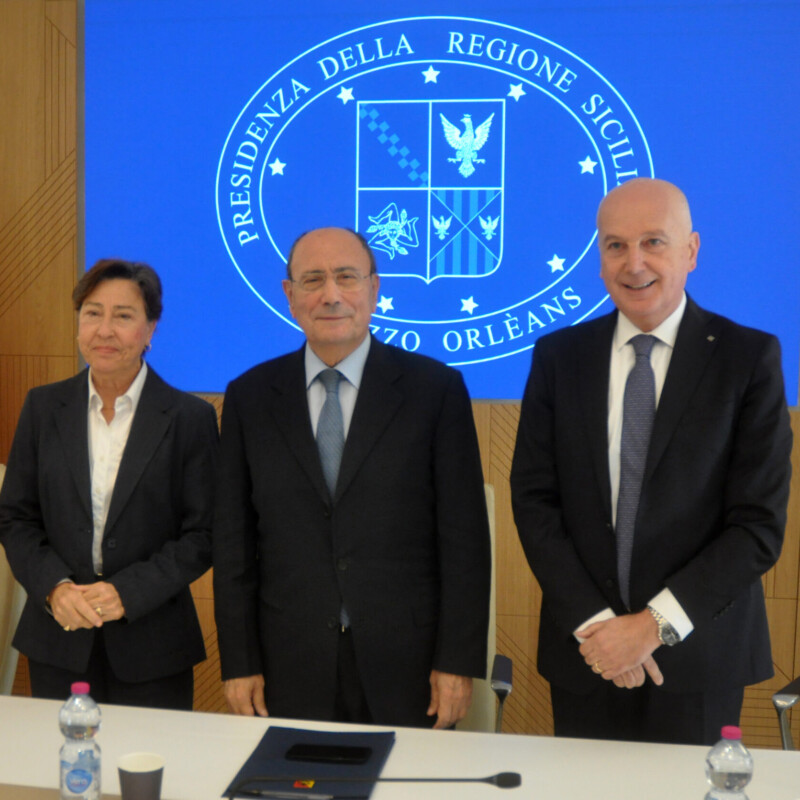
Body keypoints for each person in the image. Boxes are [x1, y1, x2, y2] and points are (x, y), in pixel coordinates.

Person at [510, 178, 792, 745]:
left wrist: (651, 627)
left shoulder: (748, 358)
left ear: (691, 251)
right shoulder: (560, 357)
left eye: (653, 243)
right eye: (615, 245)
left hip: (700, 660)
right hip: (587, 658)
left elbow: (757, 525)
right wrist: (601, 631)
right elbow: (535, 501)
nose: (633, 263)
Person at [213, 226, 491, 728]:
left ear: (375, 288)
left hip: (408, 665)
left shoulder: (436, 391)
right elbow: (234, 547)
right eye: (313, 279)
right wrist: (239, 661)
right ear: (290, 295)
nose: (331, 294)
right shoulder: (249, 397)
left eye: (347, 277)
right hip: (287, 664)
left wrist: (456, 661)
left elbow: (464, 542)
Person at [0, 259, 219, 710]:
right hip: (58, 638)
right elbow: (16, 518)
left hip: (153, 646)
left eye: (123, 316)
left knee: (148, 777)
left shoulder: (188, 419)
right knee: (64, 775)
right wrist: (54, 588)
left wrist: (127, 593)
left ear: (150, 329)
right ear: (79, 323)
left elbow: (204, 534)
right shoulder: (43, 408)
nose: (105, 330)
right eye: (93, 313)